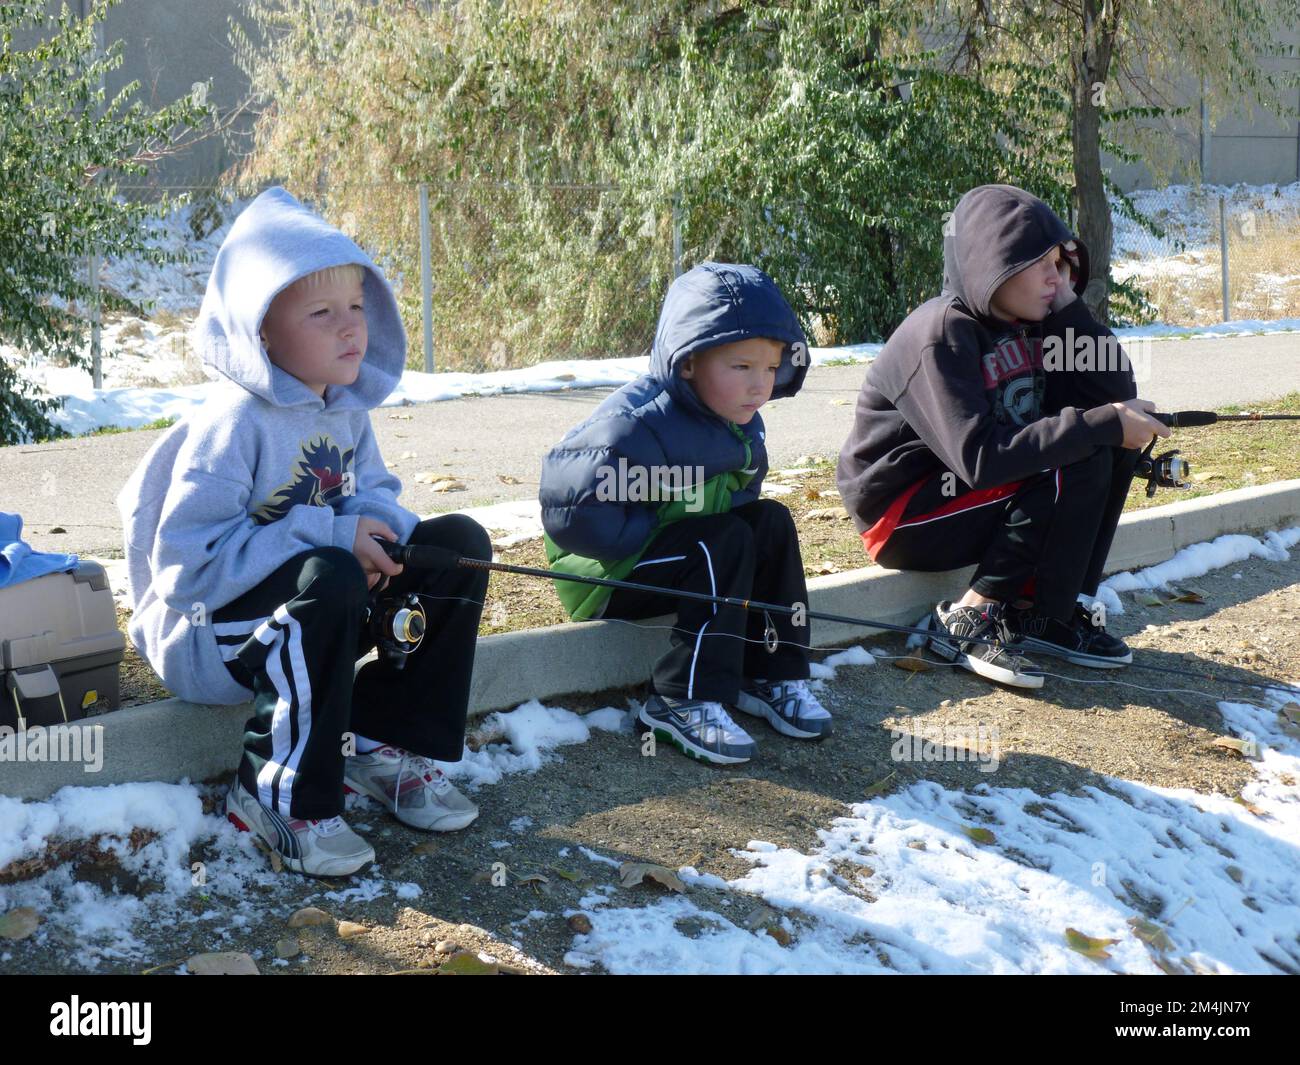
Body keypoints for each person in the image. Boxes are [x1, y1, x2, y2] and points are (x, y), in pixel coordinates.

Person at [116, 187, 490, 877]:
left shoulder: (344, 407)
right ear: (261, 331)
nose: (351, 328)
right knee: (331, 573)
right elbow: (185, 568)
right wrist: (325, 533)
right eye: (322, 313)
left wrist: (394, 542)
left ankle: (380, 740)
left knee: (459, 545)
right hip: (210, 633)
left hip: (316, 606)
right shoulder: (234, 424)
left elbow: (372, 494)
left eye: (356, 307)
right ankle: (275, 796)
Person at [836, 184, 1169, 688]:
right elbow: (981, 459)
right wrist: (1099, 423)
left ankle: (1046, 615)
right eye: (1038, 265)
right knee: (1078, 448)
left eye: (1060, 263)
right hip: (905, 511)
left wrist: (1070, 311)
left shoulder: (1039, 323)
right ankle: (968, 619)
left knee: (1107, 445)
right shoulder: (942, 334)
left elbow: (1115, 393)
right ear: (991, 266)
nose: (1052, 278)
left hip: (973, 492)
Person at [539, 262, 830, 766]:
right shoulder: (639, 421)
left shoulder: (738, 418)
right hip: (608, 577)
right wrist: (644, 526)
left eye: (770, 367)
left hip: (687, 562)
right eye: (741, 367)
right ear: (689, 362)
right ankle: (681, 697)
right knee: (720, 542)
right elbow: (570, 506)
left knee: (770, 522)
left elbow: (738, 499)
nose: (759, 385)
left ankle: (770, 671)